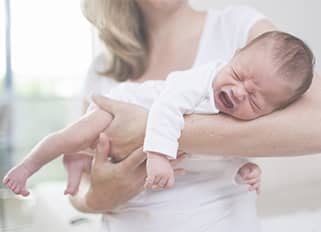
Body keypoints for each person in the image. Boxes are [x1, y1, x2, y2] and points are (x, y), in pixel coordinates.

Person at [71, 1, 321, 232]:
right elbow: (78, 180)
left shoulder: (237, 26)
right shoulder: (103, 70)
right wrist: (97, 199)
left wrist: (152, 130)